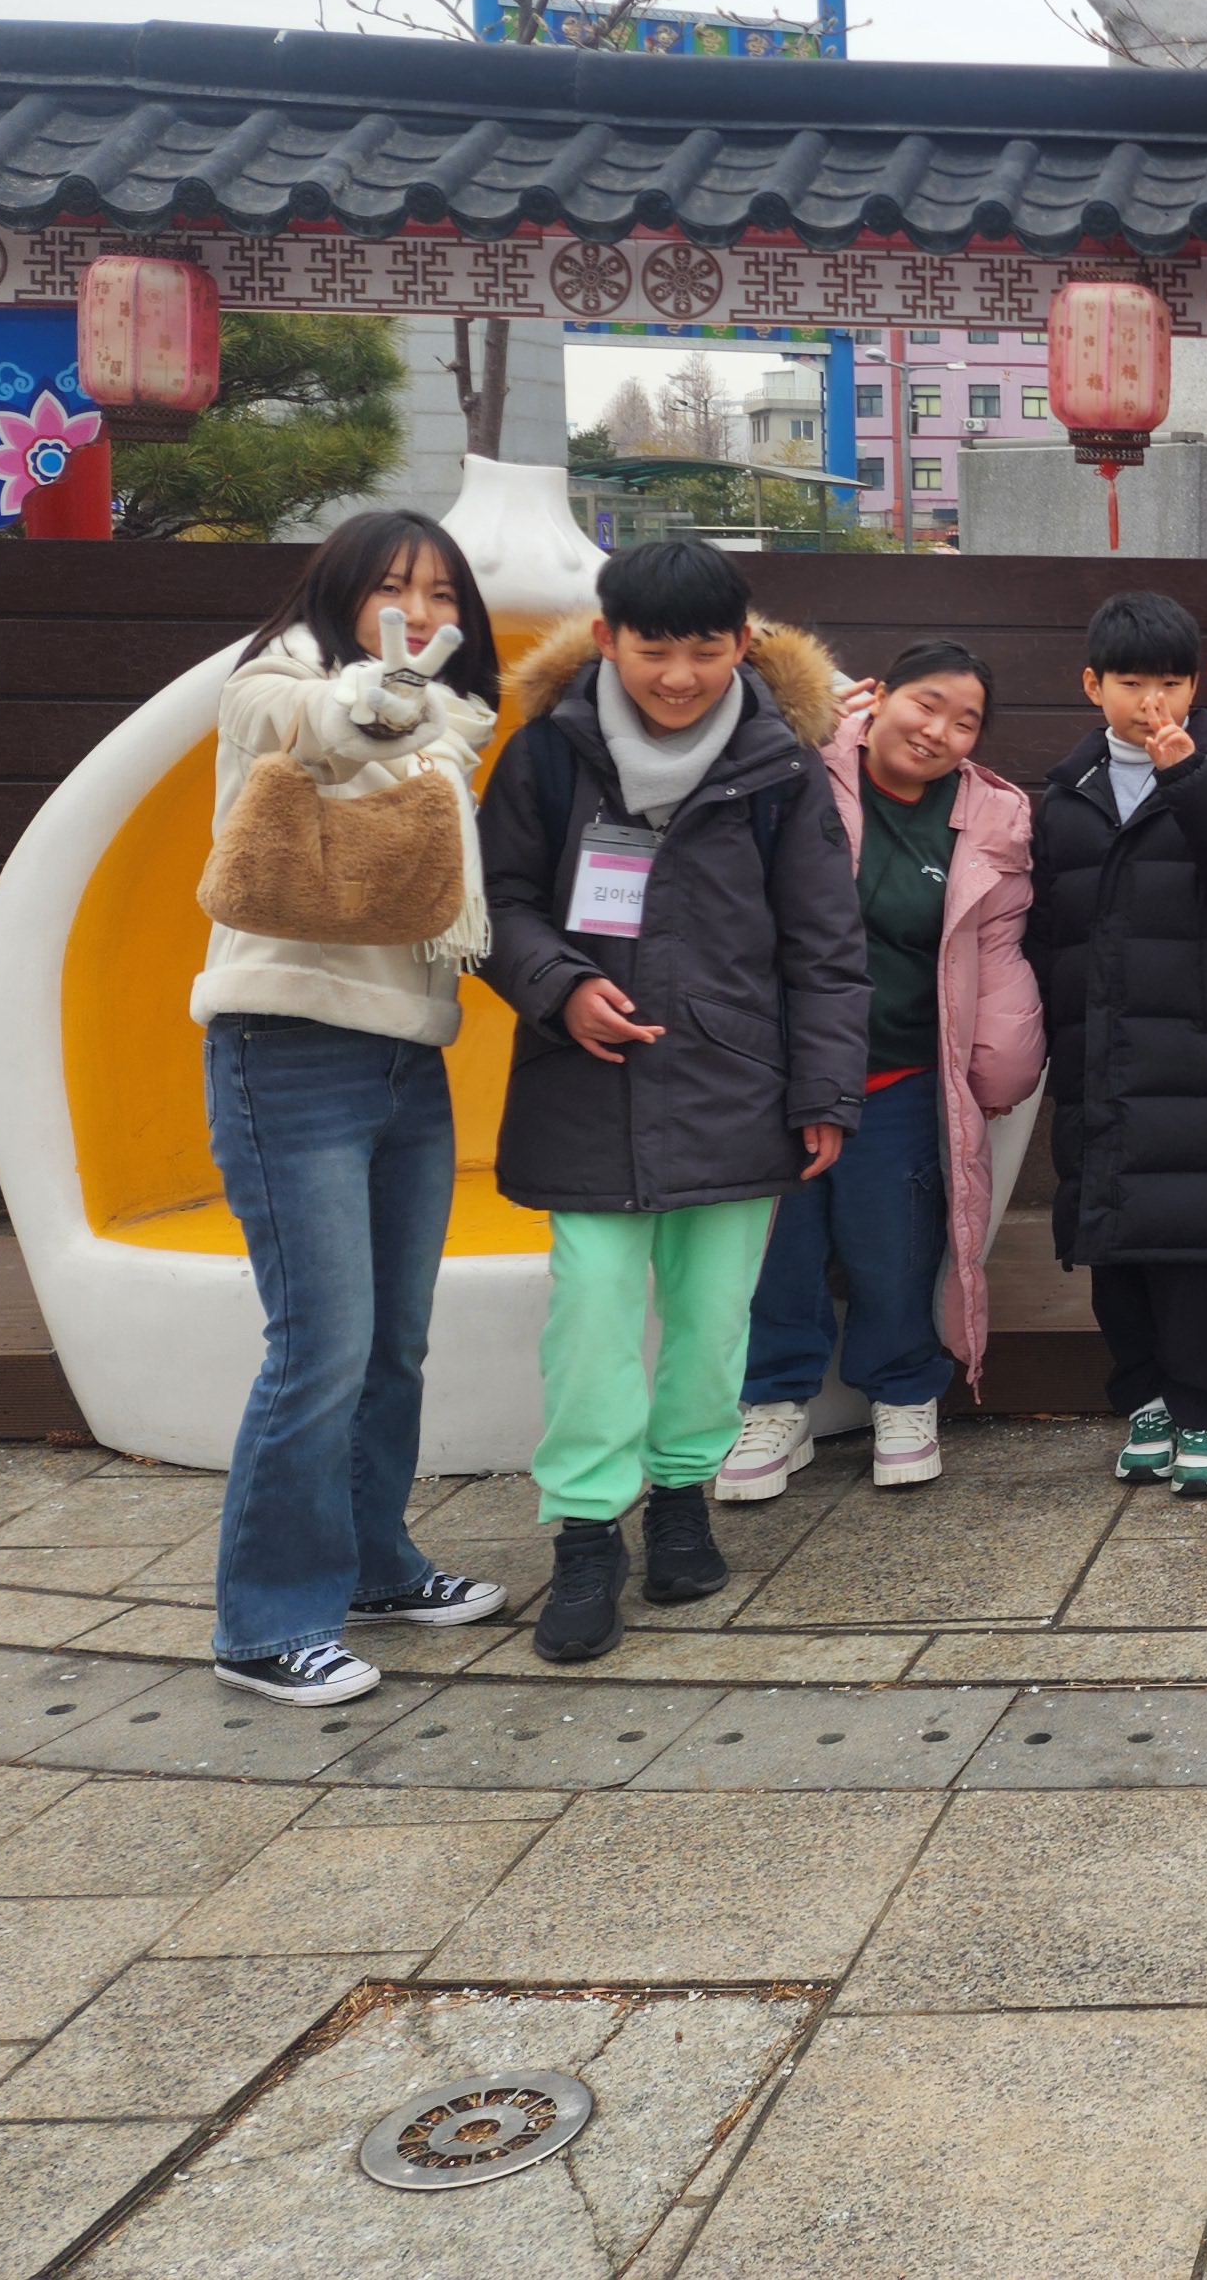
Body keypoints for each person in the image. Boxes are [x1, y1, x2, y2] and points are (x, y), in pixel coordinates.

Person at [480, 540, 868, 1662]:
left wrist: (824, 1089)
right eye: (655, 650)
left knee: (712, 1319)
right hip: (583, 1083)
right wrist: (559, 985)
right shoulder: (546, 756)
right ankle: (587, 1535)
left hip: (737, 1083)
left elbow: (825, 945)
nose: (681, 675)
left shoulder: (780, 766)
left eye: (705, 649)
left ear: (742, 644)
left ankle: (685, 1504)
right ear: (608, 640)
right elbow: (494, 899)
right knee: (592, 1314)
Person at [193, 512, 513, 1705]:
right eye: (392, 587)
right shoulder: (273, 686)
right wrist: (382, 696)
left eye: (442, 595)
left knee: (391, 1344)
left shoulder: (452, 726)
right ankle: (264, 1626)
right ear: (339, 590)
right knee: (318, 1349)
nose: (419, 613)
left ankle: (376, 1566)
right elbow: (334, 728)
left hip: (404, 1059)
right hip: (285, 1047)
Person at [718, 641, 1044, 1502]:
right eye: (925, 704)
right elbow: (715, 710)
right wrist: (793, 704)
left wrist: (1003, 1064)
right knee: (780, 1249)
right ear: (881, 695)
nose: (936, 731)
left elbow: (997, 950)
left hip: (900, 1073)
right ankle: (773, 1402)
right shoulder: (799, 768)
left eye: (964, 722)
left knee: (895, 1247)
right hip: (782, 1073)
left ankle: (903, 1394)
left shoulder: (988, 819)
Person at [1028, 590, 1207, 1493]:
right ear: (1092, 685)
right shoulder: (1065, 793)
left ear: (1196, 685)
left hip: (1196, 1055)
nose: (1154, 702)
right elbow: (1040, 930)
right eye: (1132, 683)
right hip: (1098, 1054)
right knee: (1111, 1242)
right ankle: (1144, 1399)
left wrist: (1188, 779)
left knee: (1191, 1246)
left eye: (1173, 683)